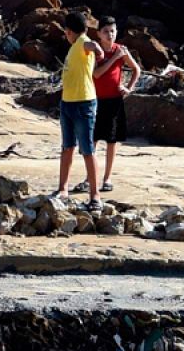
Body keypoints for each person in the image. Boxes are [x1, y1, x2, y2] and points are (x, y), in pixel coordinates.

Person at [81, 17, 139, 194]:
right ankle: (89, 178)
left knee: (112, 141)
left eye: (113, 31)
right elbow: (97, 74)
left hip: (114, 100)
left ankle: (107, 178)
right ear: (98, 34)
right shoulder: (96, 51)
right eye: (106, 31)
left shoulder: (120, 50)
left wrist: (128, 88)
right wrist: (114, 57)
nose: (110, 35)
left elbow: (136, 69)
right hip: (95, 100)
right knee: (93, 139)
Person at [55, 11, 103, 210]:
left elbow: (93, 46)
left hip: (83, 103)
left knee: (87, 149)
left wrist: (99, 49)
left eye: (66, 32)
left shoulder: (83, 42)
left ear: (69, 31)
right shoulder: (74, 47)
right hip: (67, 102)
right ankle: (62, 188)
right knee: (67, 146)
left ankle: (95, 195)